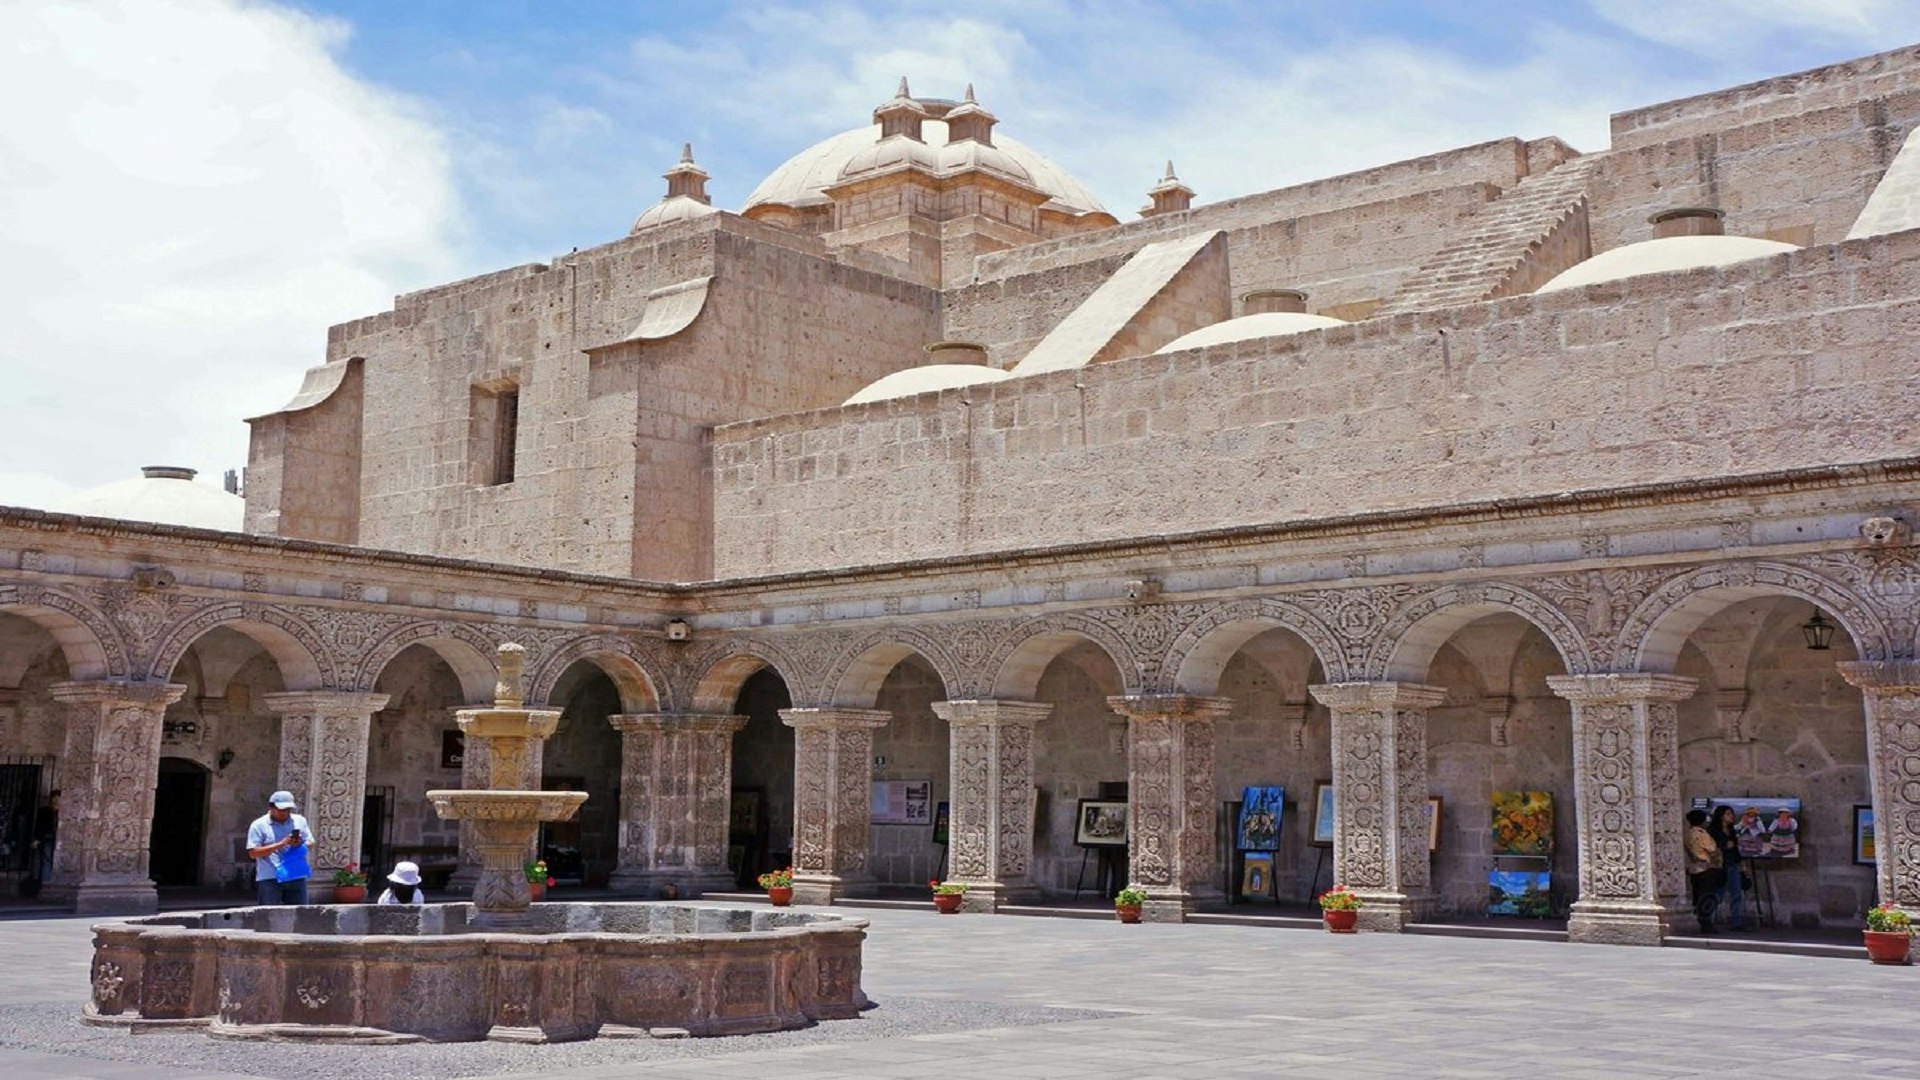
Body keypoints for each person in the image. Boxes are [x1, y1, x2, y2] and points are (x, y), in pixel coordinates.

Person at [245, 790, 311, 905]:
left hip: (295, 875)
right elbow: (253, 853)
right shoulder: (259, 825)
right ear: (271, 807)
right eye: (281, 810)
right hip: (270, 877)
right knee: (268, 914)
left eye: (288, 810)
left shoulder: (299, 820)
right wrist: (281, 844)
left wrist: (299, 844)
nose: (285, 813)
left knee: (301, 913)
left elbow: (310, 842)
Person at [1709, 804, 1750, 931]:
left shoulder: (1732, 831)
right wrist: (1725, 846)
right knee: (1718, 895)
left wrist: (1741, 864)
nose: (1731, 816)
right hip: (1721, 866)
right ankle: (1709, 921)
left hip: (1733, 864)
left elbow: (1736, 848)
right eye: (1728, 813)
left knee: (1737, 894)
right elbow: (1711, 848)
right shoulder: (1713, 831)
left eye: (1732, 813)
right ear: (1721, 816)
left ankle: (1736, 923)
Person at [1684, 808, 1723, 934]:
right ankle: (1706, 923)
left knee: (1699, 895)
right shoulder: (1701, 833)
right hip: (1705, 867)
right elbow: (1712, 849)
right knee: (1706, 896)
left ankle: (1702, 921)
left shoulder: (1688, 833)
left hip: (1695, 868)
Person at [30, 790, 58, 885]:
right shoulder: (44, 811)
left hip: (58, 839)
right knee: (47, 860)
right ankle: (46, 882)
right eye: (54, 797)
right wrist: (37, 838)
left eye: (58, 797)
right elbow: (39, 825)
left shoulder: (62, 811)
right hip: (47, 838)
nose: (56, 800)